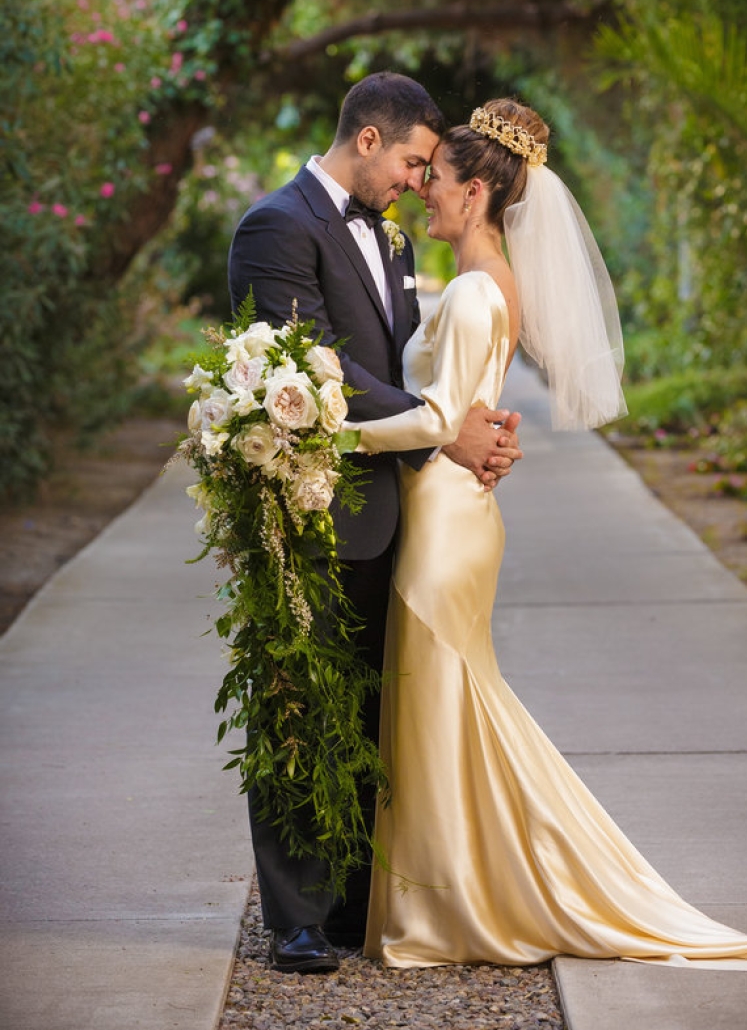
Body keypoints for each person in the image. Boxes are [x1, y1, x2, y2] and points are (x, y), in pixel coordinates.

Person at [347, 98, 747, 970]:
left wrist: (327, 427)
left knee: (441, 711)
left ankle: (451, 909)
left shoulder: (469, 291)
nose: (426, 195)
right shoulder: (498, 287)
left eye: (440, 183)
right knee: (454, 709)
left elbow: (440, 418)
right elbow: (471, 409)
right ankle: (457, 892)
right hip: (463, 515)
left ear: (480, 196)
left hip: (444, 524)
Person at [227, 72, 522, 974]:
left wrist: (461, 429)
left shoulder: (386, 236)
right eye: (408, 161)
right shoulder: (274, 228)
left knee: (366, 700)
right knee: (298, 701)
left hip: (392, 505)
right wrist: (446, 425)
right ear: (366, 141)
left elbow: (397, 356)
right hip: (309, 509)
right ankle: (297, 917)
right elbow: (313, 371)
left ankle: (353, 892)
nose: (412, 180)